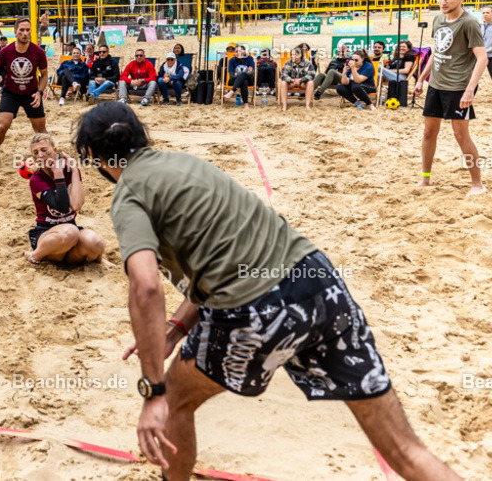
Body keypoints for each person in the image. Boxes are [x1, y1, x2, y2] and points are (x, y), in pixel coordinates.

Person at [71, 103, 461, 481]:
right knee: (405, 450)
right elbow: (228, 254)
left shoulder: (128, 195)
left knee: (174, 400)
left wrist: (152, 390)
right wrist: (176, 328)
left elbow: (145, 286)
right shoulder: (186, 164)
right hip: (320, 282)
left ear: (91, 154)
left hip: (256, 307)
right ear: (141, 135)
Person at [414, 0, 487, 196]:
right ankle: (425, 179)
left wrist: (470, 89)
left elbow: (482, 58)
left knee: (460, 135)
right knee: (428, 132)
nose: (443, 2)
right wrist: (421, 78)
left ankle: (477, 184)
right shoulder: (438, 19)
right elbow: (437, 51)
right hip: (436, 84)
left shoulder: (469, 23)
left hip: (458, 87)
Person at [24, 133, 106, 265]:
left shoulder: (70, 171)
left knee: (95, 241)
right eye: (35, 153)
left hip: (71, 239)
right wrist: (58, 175)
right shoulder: (36, 179)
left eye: (44, 150)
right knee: (70, 232)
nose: (40, 155)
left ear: (54, 151)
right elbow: (61, 206)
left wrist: (74, 171)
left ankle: (100, 260)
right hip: (47, 234)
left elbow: (76, 205)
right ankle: (35, 256)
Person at [0, 17, 48, 170]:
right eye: (21, 30)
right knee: (3, 125)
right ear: (15, 31)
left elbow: (44, 75)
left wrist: (40, 92)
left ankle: (48, 158)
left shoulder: (38, 52)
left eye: (28, 30)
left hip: (31, 94)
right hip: (11, 92)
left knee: (41, 130)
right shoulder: (6, 52)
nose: (25, 33)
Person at [278, 46, 316, 111]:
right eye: (292, 55)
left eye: (294, 55)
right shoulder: (288, 63)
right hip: (291, 83)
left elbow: (311, 74)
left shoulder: (307, 63)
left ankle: (307, 106)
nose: (292, 56)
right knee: (283, 83)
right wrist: (292, 80)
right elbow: (283, 75)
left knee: (310, 82)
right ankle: (284, 106)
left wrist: (301, 80)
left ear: (300, 55)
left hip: (302, 83)